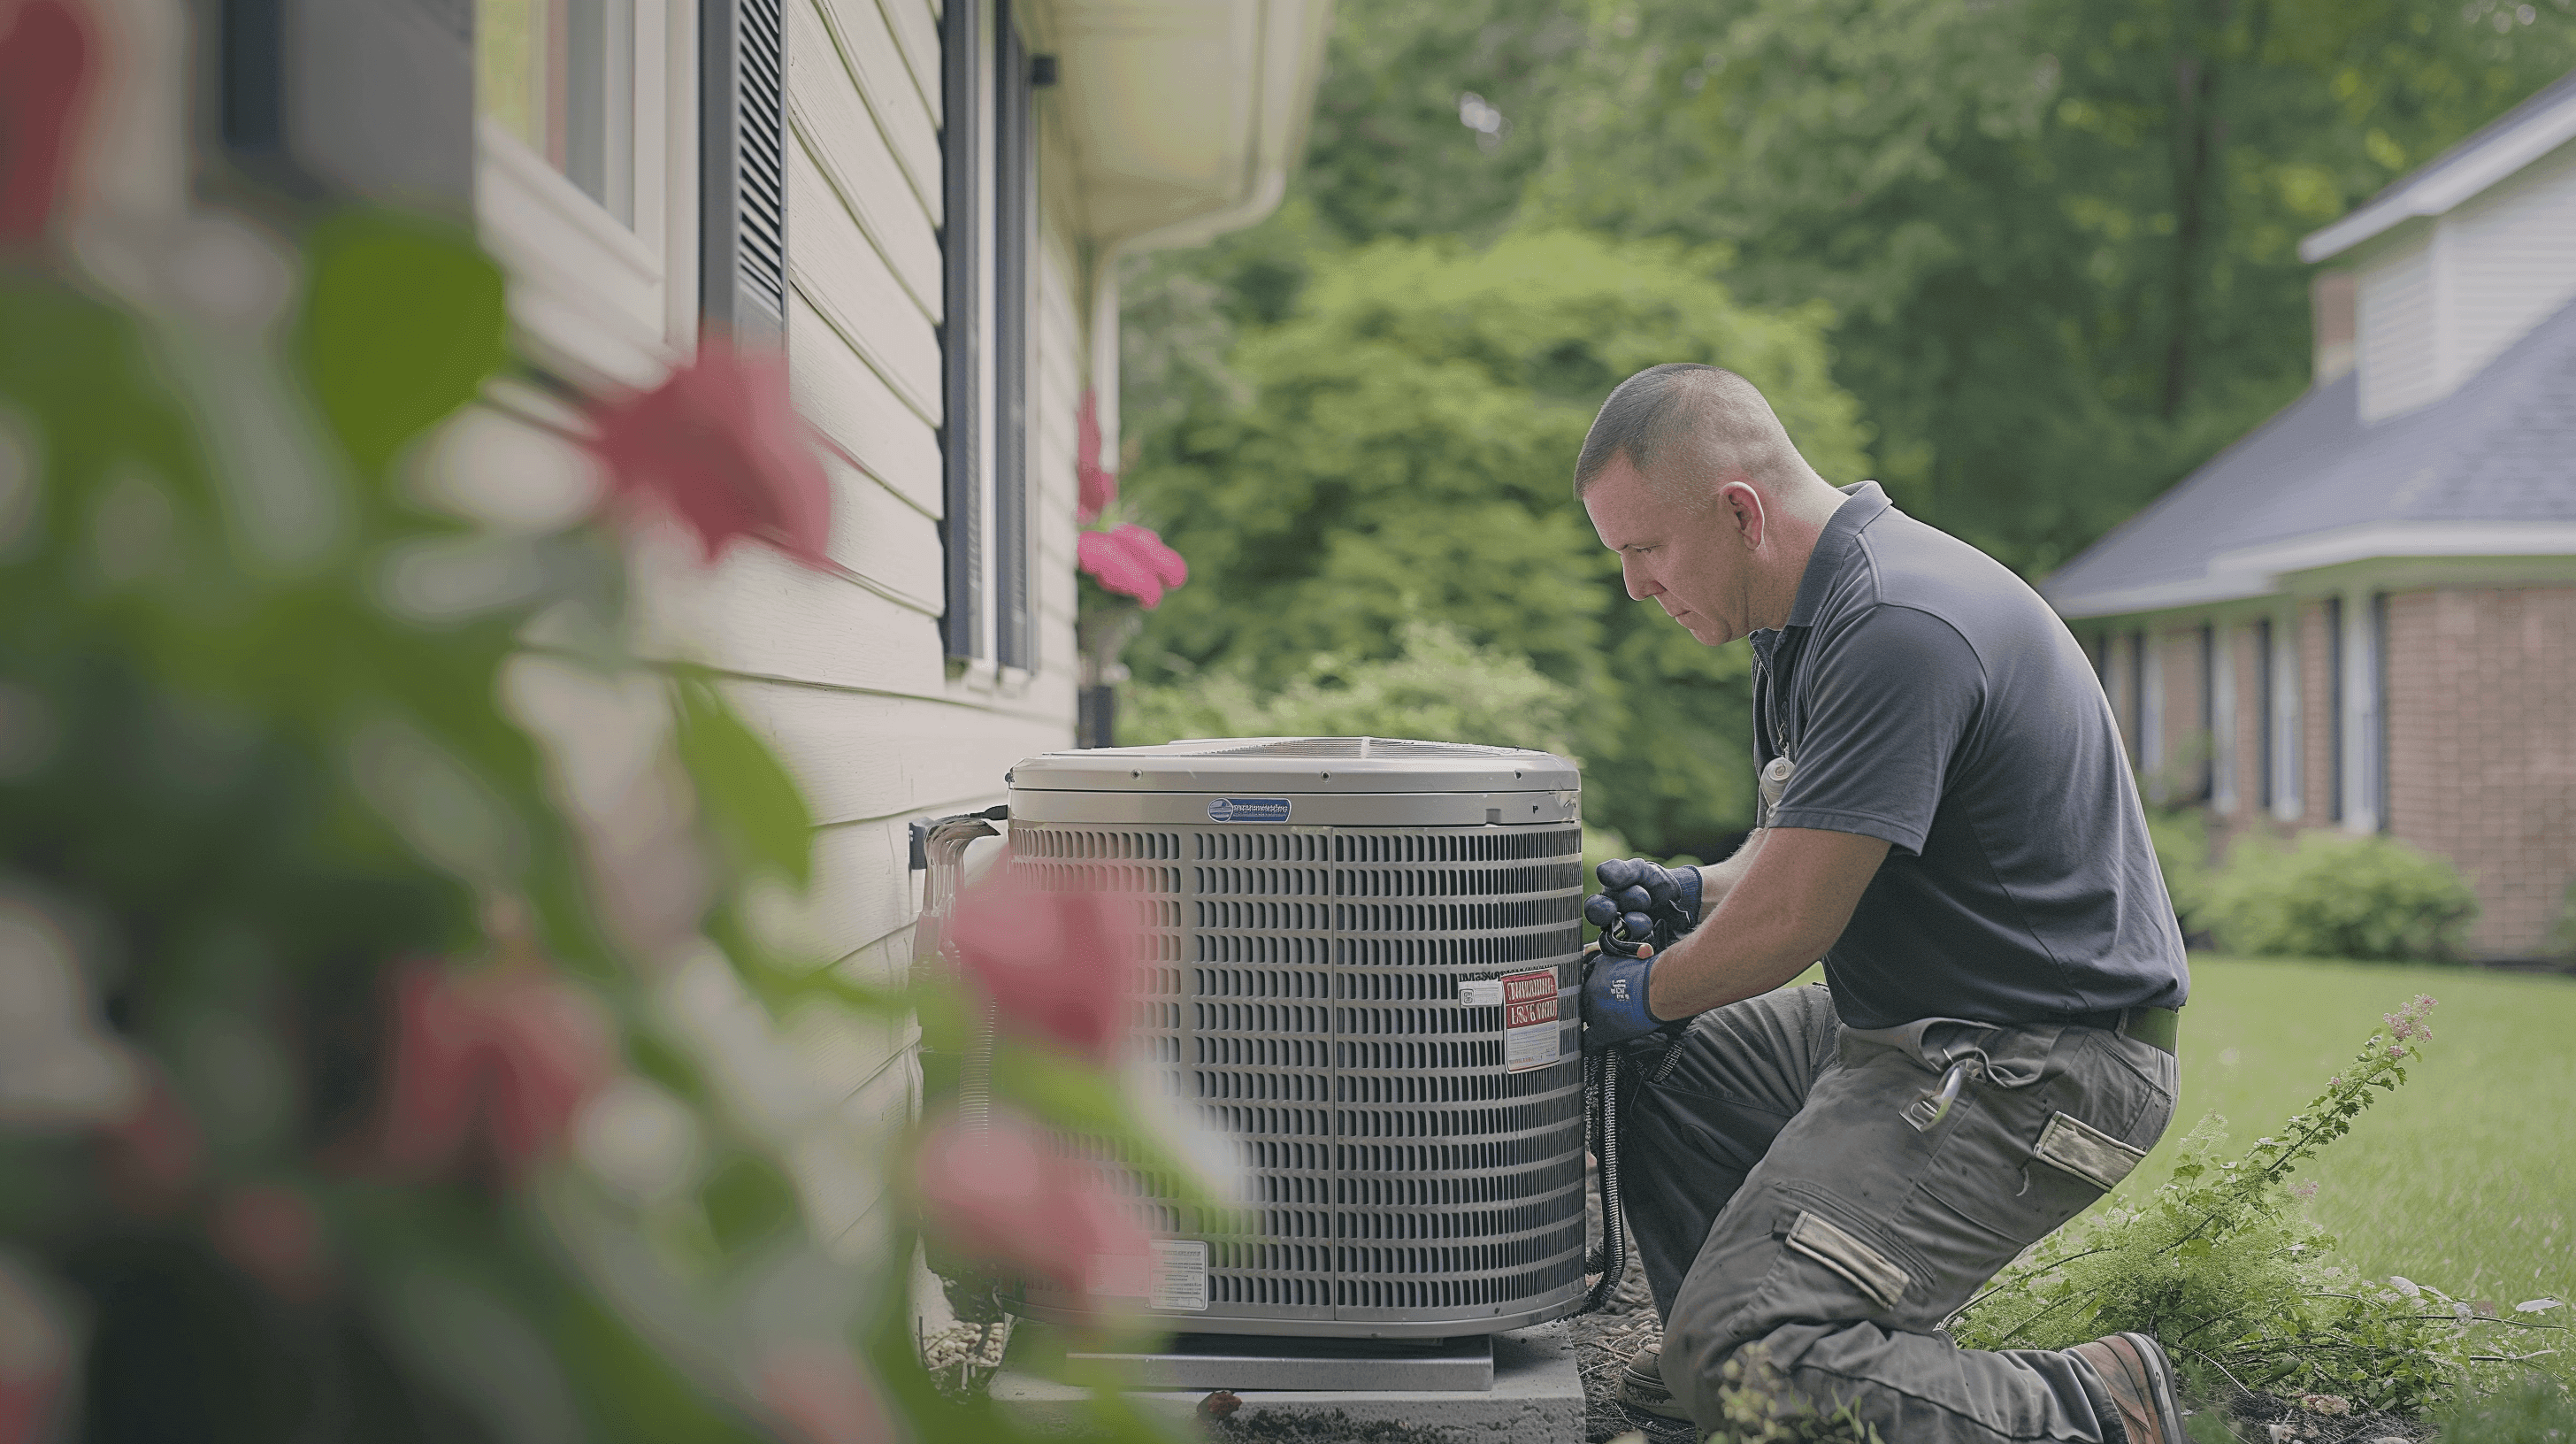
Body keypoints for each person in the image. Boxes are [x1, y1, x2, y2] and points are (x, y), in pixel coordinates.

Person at [1573, 363, 2192, 1443]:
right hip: (1913, 1025)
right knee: (1663, 1060)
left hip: (2038, 1064)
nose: (1632, 586)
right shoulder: (1803, 621)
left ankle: (2092, 1405)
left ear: (1737, 511)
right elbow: (1795, 850)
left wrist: (1645, 989)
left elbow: (1790, 923)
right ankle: (1732, 1373)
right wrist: (1692, 891)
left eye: (1644, 550)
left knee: (1743, 1354)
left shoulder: (1899, 623)